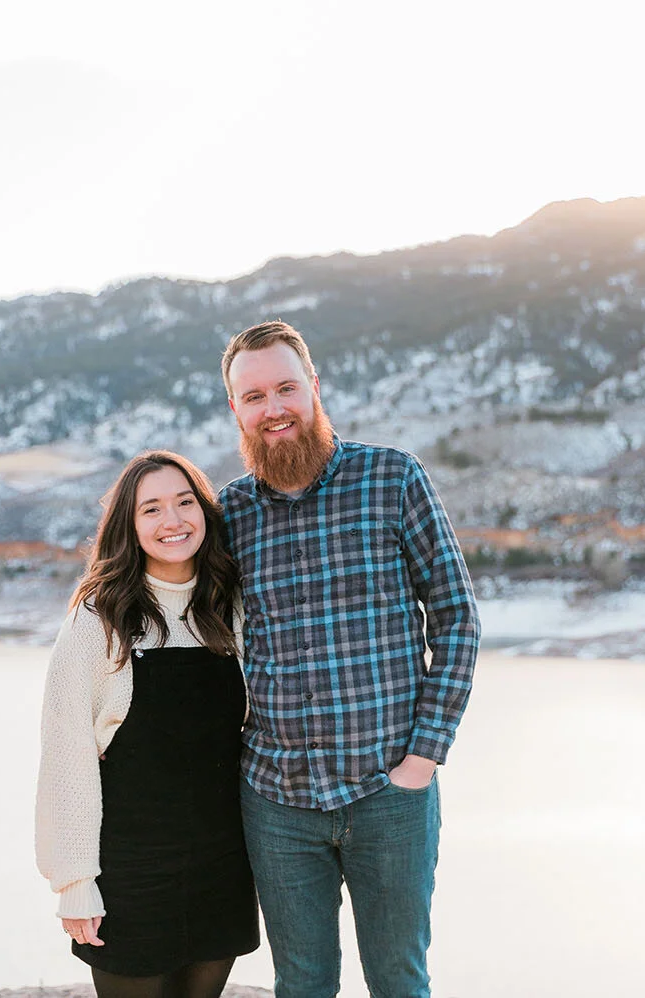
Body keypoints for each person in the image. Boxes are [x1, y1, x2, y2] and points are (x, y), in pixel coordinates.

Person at [218, 320, 481, 998]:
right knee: (301, 983)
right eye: (254, 397)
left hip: (388, 795)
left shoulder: (392, 478)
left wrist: (421, 761)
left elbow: (456, 616)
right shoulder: (230, 513)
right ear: (236, 410)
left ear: (313, 388)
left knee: (398, 980)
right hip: (276, 802)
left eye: (285, 388)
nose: (273, 408)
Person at [35, 450, 260, 998]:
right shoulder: (99, 620)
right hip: (130, 875)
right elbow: (68, 759)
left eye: (185, 503)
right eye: (151, 509)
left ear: (205, 513)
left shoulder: (230, 607)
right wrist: (75, 885)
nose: (173, 521)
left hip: (221, 863)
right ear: (129, 527)